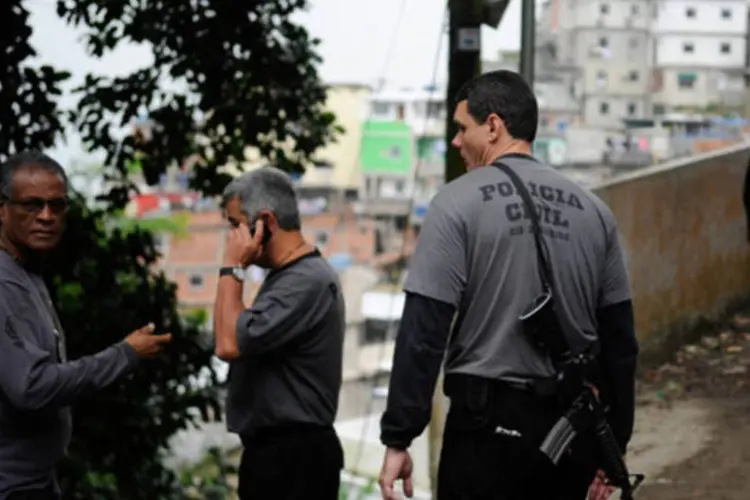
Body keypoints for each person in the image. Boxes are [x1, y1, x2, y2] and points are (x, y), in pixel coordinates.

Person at [377, 70, 640, 500]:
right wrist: (612, 449)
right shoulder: (595, 213)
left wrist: (399, 437)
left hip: (484, 435)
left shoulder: (454, 203)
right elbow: (620, 343)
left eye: (463, 128)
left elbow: (424, 332)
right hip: (567, 433)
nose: (457, 142)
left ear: (494, 126)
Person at [0, 150, 173, 500]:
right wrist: (124, 355)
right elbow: (31, 388)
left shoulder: (26, 271)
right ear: (2, 209)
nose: (46, 216)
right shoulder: (4, 282)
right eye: (32, 205)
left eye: (57, 206)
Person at [213, 167, 346, 500]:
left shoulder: (305, 282)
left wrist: (232, 266)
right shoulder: (286, 278)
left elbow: (228, 344)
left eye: (235, 226)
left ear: (266, 223)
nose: (232, 239)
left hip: (295, 460)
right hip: (275, 456)